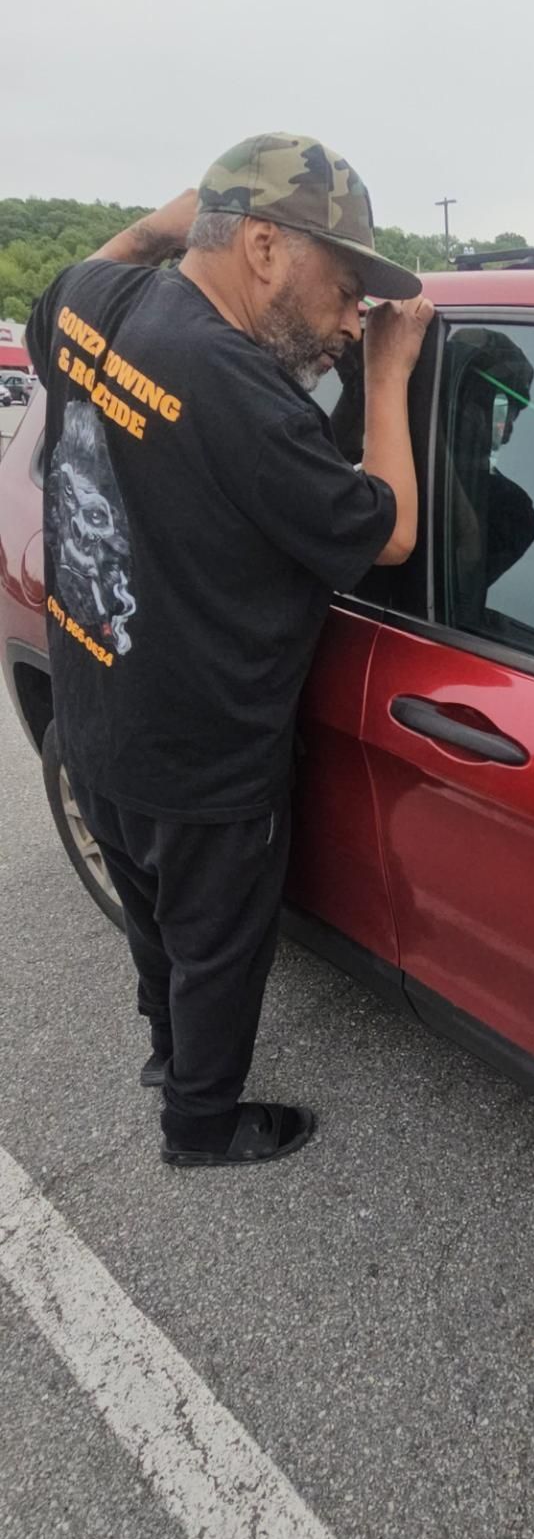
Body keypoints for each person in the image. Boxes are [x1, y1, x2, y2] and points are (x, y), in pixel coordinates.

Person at [26, 132, 434, 1169]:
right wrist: (387, 378)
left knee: (155, 918)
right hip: (202, 756)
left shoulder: (97, 303)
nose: (353, 318)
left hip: (95, 710)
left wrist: (167, 224)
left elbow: (110, 260)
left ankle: (167, 1057)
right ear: (261, 247)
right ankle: (200, 1125)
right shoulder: (244, 395)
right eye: (345, 285)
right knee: (217, 947)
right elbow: (386, 532)